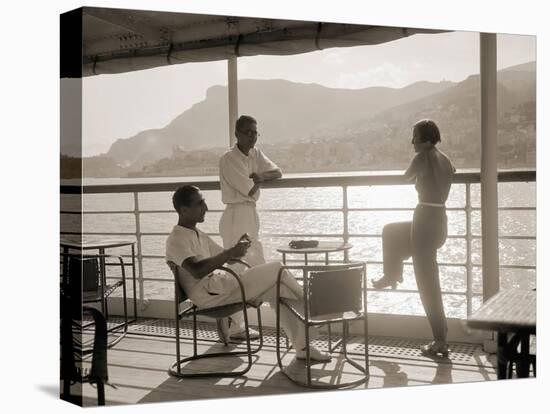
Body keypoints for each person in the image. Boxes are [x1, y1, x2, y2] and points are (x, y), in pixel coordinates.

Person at [165, 185, 330, 362]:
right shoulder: (177, 239)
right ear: (183, 210)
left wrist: (238, 249)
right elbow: (197, 270)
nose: (206, 207)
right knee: (277, 268)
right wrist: (229, 254)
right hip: (209, 297)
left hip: (221, 287)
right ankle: (315, 308)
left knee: (279, 288)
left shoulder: (198, 234)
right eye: (200, 203)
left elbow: (227, 257)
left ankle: (303, 346)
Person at [371, 119, 456, 357]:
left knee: (427, 282)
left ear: (427, 139)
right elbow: (449, 174)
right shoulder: (446, 159)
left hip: (424, 219)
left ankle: (440, 340)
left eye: (415, 136)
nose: (412, 141)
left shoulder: (422, 157)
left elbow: (405, 178)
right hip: (439, 219)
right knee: (391, 232)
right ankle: (392, 273)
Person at [218, 115, 282, 339]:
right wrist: (259, 181)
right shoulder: (229, 159)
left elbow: (278, 172)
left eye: (255, 132)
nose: (252, 136)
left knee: (255, 265)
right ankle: (236, 325)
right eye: (247, 132)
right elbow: (250, 190)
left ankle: (241, 320)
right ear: (236, 134)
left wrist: (261, 176)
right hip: (236, 215)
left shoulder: (255, 153)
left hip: (250, 214)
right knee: (237, 269)